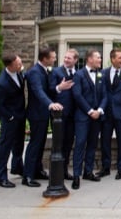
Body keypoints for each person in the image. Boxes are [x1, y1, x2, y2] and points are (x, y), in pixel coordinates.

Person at [23, 46, 63, 188]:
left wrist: (60, 87)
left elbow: (48, 89)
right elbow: (38, 92)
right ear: (45, 59)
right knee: (35, 144)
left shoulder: (44, 70)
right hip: (36, 114)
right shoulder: (34, 72)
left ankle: (37, 170)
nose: (55, 59)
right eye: (53, 57)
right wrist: (50, 104)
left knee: (41, 143)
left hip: (43, 114)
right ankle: (27, 176)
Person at [97, 48, 121, 180]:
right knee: (105, 142)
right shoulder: (103, 73)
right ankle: (105, 168)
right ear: (112, 59)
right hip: (106, 114)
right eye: (120, 58)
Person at [71, 49, 107, 189]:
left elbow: (105, 95)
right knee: (80, 144)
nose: (100, 60)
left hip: (97, 117)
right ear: (89, 59)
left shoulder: (100, 75)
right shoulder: (79, 75)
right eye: (98, 57)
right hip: (82, 117)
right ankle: (76, 175)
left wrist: (99, 110)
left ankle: (88, 171)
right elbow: (77, 95)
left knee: (92, 144)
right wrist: (90, 111)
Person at [0, 53, 26, 188]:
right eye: (18, 63)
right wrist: (10, 117)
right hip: (10, 119)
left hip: (20, 116)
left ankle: (17, 167)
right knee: (4, 147)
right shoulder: (2, 83)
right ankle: (1, 177)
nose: (21, 64)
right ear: (10, 66)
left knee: (19, 144)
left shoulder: (19, 73)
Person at [48, 49, 77, 180]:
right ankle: (55, 172)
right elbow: (49, 90)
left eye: (69, 58)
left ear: (75, 60)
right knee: (58, 144)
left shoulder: (78, 73)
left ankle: (64, 170)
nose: (66, 60)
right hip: (59, 116)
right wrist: (60, 87)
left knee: (68, 143)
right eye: (65, 57)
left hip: (73, 115)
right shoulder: (56, 72)